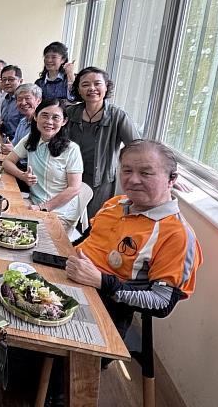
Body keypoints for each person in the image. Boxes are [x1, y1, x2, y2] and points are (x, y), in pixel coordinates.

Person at [67, 139, 203, 338]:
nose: (133, 180)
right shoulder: (116, 203)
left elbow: (162, 303)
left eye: (145, 173)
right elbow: (87, 240)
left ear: (171, 179)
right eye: (127, 171)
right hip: (69, 280)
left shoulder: (177, 235)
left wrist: (102, 282)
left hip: (105, 308)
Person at [66, 67, 140, 219]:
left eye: (97, 83)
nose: (92, 88)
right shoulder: (69, 113)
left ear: (106, 87)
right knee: (66, 218)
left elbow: (137, 148)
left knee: (93, 221)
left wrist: (162, 171)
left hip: (100, 181)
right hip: (68, 176)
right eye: (85, 84)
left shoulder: (118, 116)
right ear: (78, 90)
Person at [3, 98, 84, 234]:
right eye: (44, 116)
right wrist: (22, 176)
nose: (49, 122)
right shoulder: (31, 139)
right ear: (35, 117)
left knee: (16, 234)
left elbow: (74, 188)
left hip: (59, 214)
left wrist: (43, 207)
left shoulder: (71, 149)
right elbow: (7, 162)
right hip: (33, 203)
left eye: (55, 118)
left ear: (64, 121)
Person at [0, 64, 23, 139]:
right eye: (4, 80)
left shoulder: (24, 102)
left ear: (20, 81)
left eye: (11, 79)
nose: (6, 83)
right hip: (4, 139)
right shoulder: (5, 101)